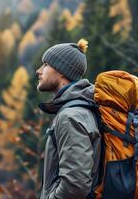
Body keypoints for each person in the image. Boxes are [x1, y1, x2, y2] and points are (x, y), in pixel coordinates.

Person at [36, 39, 101, 199]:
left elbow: (76, 185)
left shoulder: (70, 116)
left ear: (62, 71)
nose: (39, 71)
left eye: (45, 65)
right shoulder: (85, 108)